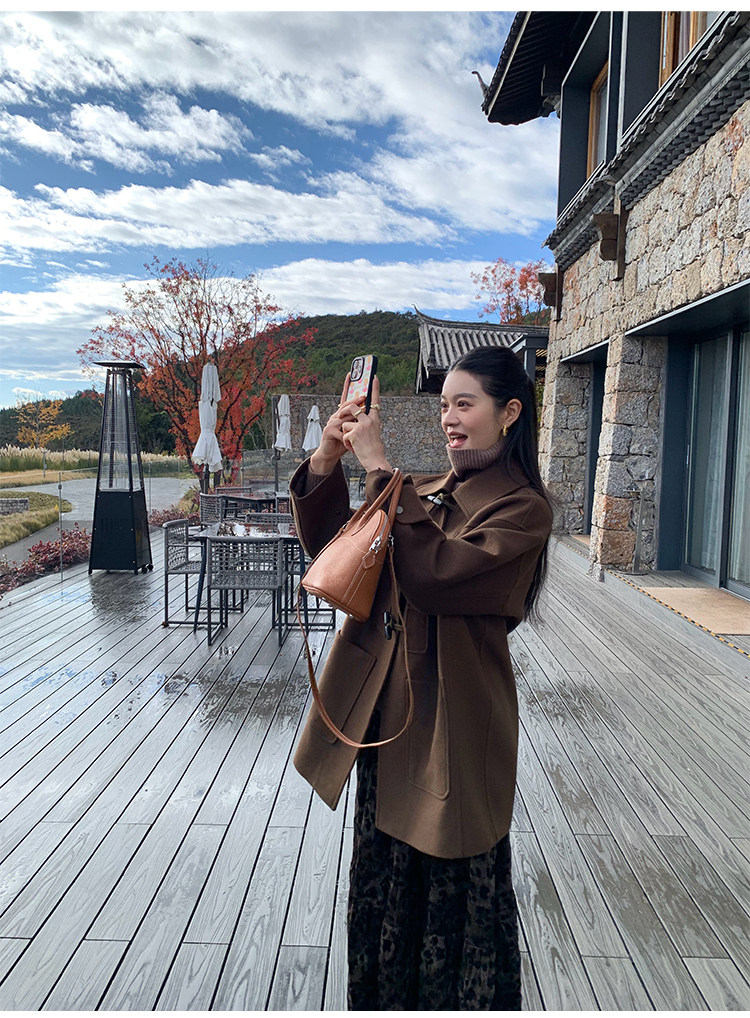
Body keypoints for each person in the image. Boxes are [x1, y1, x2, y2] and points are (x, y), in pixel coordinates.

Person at [289, 346, 553, 1010]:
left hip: (453, 728)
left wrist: (381, 467)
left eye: (465, 404)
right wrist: (327, 459)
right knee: (386, 887)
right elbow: (338, 554)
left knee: (449, 892)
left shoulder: (522, 511)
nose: (449, 419)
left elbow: (434, 576)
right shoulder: (429, 491)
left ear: (509, 413)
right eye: (443, 406)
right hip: (386, 720)